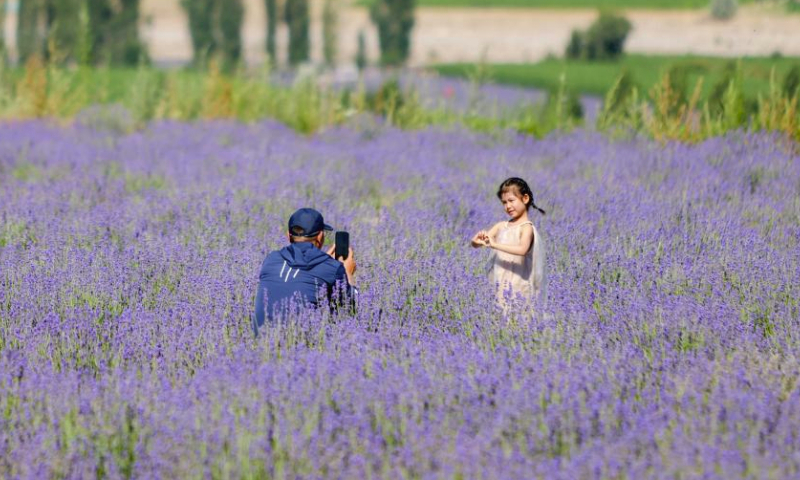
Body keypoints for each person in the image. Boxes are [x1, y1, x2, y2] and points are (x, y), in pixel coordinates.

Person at [253, 208, 357, 333]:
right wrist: (348, 274)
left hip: (261, 344)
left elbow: (302, 275)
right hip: (301, 344)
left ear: (288, 235)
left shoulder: (271, 259)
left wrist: (326, 261)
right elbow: (349, 306)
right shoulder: (331, 267)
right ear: (320, 236)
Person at [471, 177, 546, 306]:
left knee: (519, 314)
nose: (508, 206)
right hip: (500, 280)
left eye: (511, 200)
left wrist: (495, 245)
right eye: (504, 202)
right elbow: (482, 242)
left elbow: (522, 249)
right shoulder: (501, 226)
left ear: (525, 199)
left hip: (520, 282)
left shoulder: (527, 228)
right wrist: (476, 241)